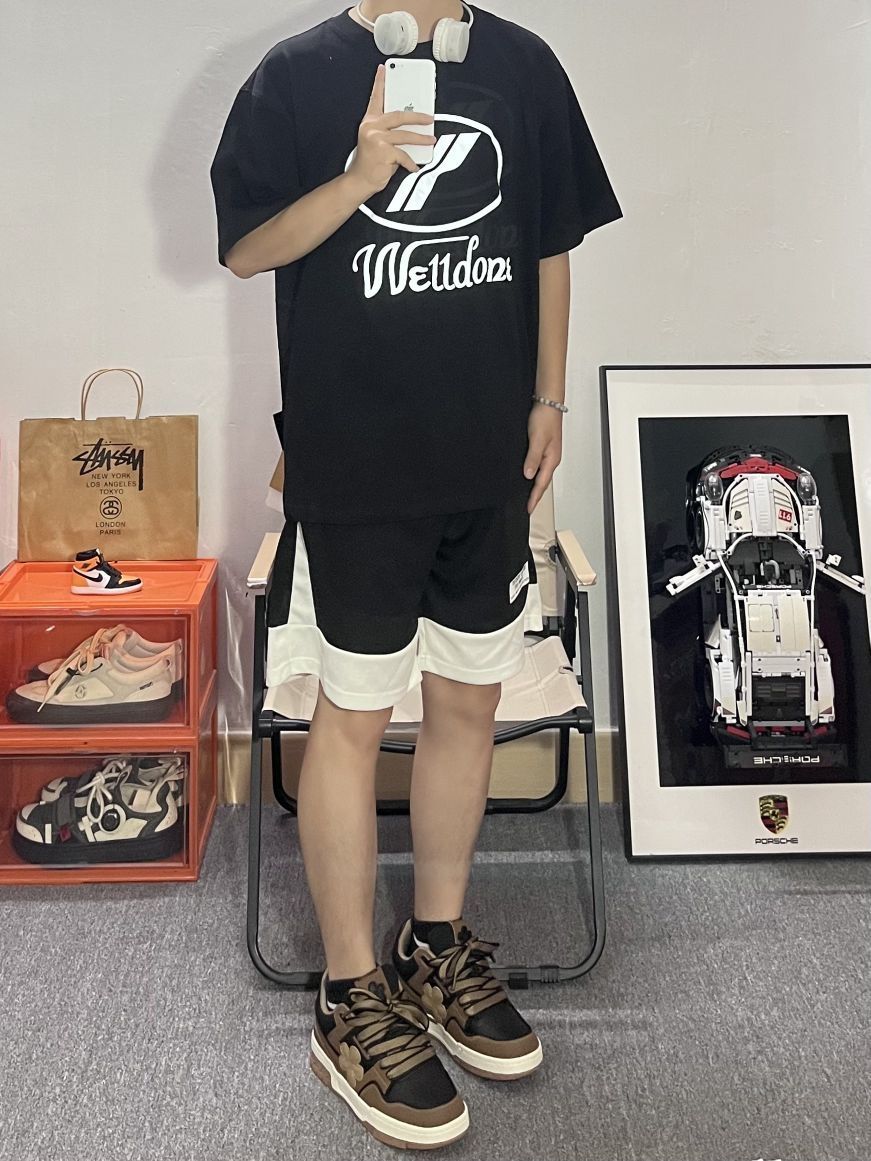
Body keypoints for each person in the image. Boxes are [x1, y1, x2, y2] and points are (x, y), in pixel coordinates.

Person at [210, 0, 622, 1149]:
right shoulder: (295, 75)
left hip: (485, 461)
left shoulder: (524, 65)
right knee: (348, 718)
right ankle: (351, 996)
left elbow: (549, 243)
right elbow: (246, 248)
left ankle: (434, 945)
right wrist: (358, 177)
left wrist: (547, 398)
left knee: (468, 704)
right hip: (354, 467)